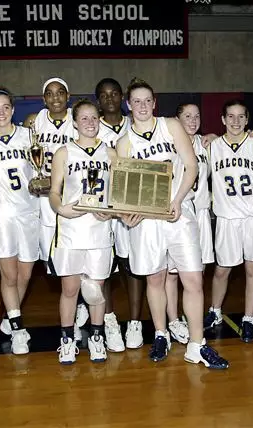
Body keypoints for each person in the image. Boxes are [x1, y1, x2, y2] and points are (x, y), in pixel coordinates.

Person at [116, 78, 228, 369]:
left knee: (192, 278)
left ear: (155, 103)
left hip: (179, 213)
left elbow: (191, 166)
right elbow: (127, 192)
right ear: (129, 106)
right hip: (147, 223)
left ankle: (196, 344)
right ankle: (162, 334)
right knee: (154, 278)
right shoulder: (124, 143)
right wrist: (127, 214)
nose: (142, 106)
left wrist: (178, 200)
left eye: (147, 100)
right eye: (136, 101)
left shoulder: (171, 126)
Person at [49, 99, 116, 364]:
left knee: (96, 289)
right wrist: (61, 209)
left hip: (99, 229)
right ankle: (67, 340)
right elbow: (54, 192)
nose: (90, 123)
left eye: (94, 118)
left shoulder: (110, 154)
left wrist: (109, 210)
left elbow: (118, 194)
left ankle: (97, 338)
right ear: (74, 122)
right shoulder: (64, 153)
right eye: (84, 118)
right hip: (71, 229)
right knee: (70, 288)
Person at [205, 100, 253, 343]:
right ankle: (215, 311)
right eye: (230, 116)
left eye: (240, 117)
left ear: (247, 119)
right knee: (222, 270)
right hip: (226, 218)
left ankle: (249, 318)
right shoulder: (213, 147)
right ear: (222, 119)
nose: (235, 121)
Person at [30, 78, 91, 340]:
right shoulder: (35, 121)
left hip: (74, 198)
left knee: (79, 256)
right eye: (49, 94)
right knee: (54, 261)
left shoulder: (78, 120)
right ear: (43, 99)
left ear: (69, 96)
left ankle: (80, 307)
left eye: (60, 93)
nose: (55, 98)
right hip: (46, 199)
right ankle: (75, 303)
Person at [0, 85, 37, 354]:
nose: (1, 112)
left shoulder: (29, 136)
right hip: (2, 215)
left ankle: (10, 315)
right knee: (9, 274)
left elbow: (43, 169)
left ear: (13, 110)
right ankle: (17, 328)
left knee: (25, 273)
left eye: (6, 107)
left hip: (29, 212)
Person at [95, 78, 146, 351]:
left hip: (131, 207)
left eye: (114, 93)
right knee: (103, 268)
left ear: (122, 97)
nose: (110, 98)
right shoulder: (92, 126)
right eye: (104, 95)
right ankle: (110, 320)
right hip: (104, 208)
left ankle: (135, 322)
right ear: (98, 100)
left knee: (132, 265)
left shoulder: (136, 124)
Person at [163, 103, 212, 346]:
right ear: (176, 119)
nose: (193, 120)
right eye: (187, 116)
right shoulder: (170, 143)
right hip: (179, 209)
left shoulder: (208, 144)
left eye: (197, 115)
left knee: (195, 273)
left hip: (201, 212)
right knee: (172, 273)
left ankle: (191, 316)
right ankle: (173, 320)